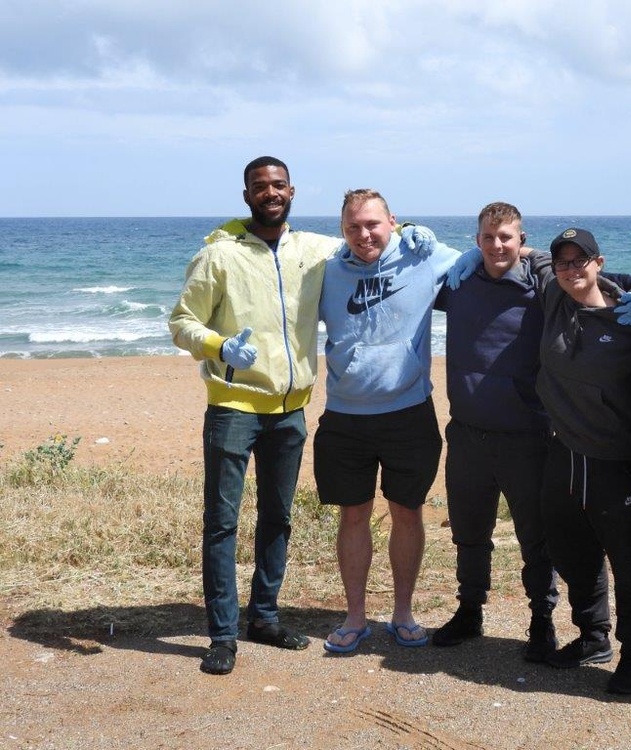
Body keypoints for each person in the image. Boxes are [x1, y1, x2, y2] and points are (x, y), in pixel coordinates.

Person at [169, 159, 436, 675]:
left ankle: (264, 617)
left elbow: (367, 241)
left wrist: (408, 233)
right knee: (222, 524)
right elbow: (182, 322)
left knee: (278, 518)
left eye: (277, 185)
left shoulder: (316, 250)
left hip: (292, 412)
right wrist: (220, 345)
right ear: (245, 193)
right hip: (233, 407)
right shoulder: (218, 255)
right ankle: (223, 635)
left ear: (291, 191)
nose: (269, 193)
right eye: (259, 186)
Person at [314, 188, 461, 653]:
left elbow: (495, 257)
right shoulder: (327, 272)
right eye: (353, 226)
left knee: (407, 513)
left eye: (373, 224)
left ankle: (403, 613)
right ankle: (355, 617)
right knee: (352, 515)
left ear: (393, 221)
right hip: (345, 416)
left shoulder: (424, 257)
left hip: (408, 412)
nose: (364, 234)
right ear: (342, 230)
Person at [430, 202, 559, 662]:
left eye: (507, 237)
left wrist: (539, 259)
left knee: (536, 538)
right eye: (488, 237)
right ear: (476, 240)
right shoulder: (459, 285)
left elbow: (589, 284)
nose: (497, 245)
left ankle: (542, 621)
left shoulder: (542, 286)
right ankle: (470, 610)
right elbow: (405, 271)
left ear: (521, 240)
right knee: (469, 532)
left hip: (527, 436)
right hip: (466, 434)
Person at [530, 228, 631, 694]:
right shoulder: (554, 292)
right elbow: (529, 252)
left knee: (628, 560)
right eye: (564, 263)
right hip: (563, 451)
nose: (570, 269)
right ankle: (593, 635)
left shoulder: (630, 319)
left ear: (598, 263)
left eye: (580, 261)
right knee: (569, 549)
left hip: (614, 458)